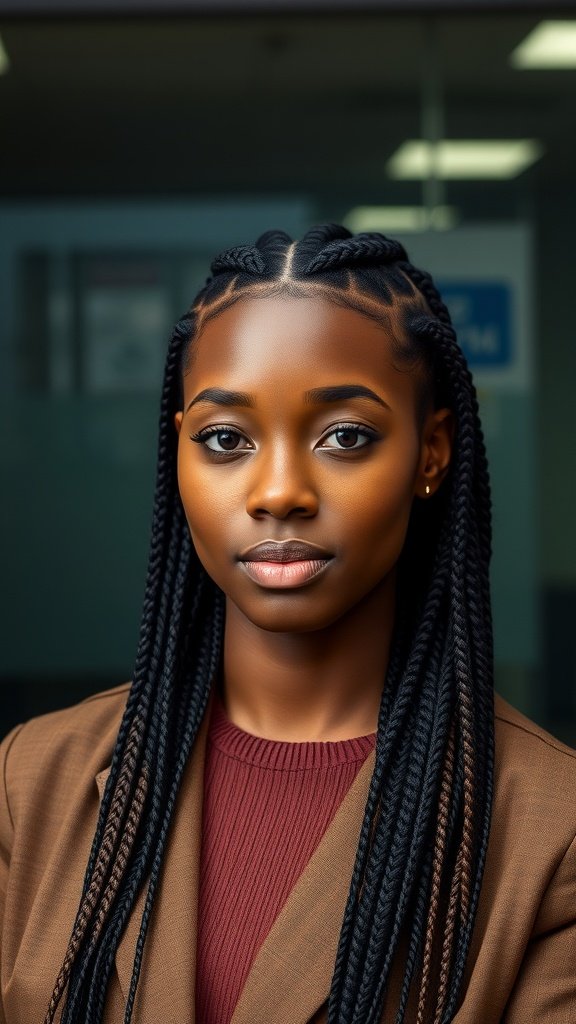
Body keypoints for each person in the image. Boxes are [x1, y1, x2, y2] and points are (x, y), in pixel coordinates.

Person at [0, 225, 574, 1024]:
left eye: (345, 436)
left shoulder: (553, 829)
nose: (277, 492)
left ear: (432, 452)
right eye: (225, 439)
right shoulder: (32, 782)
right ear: (179, 456)